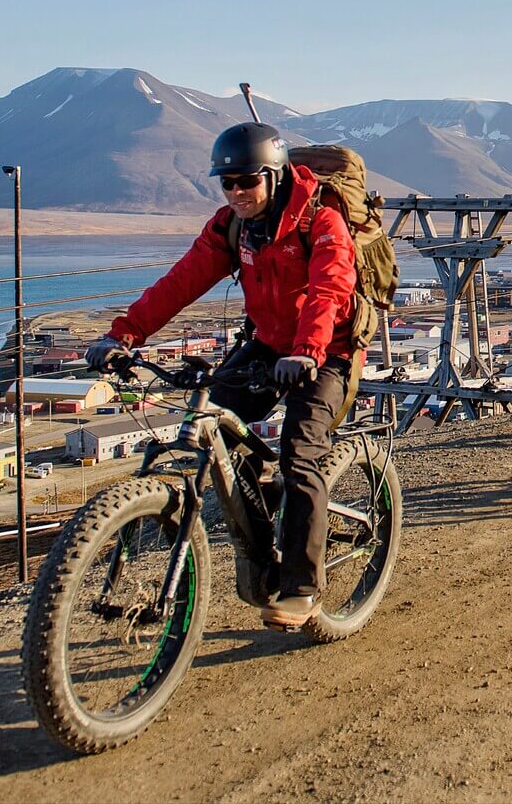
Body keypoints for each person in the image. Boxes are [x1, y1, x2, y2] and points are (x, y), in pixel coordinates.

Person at [84, 122, 359, 631]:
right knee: (219, 428)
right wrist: (124, 335)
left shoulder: (321, 221)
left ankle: (302, 588)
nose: (236, 192)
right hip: (268, 347)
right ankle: (260, 543)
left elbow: (330, 289)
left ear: (273, 177)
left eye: (246, 181)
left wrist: (307, 350)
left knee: (300, 455)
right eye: (225, 183)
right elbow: (180, 282)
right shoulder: (232, 227)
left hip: (328, 353)